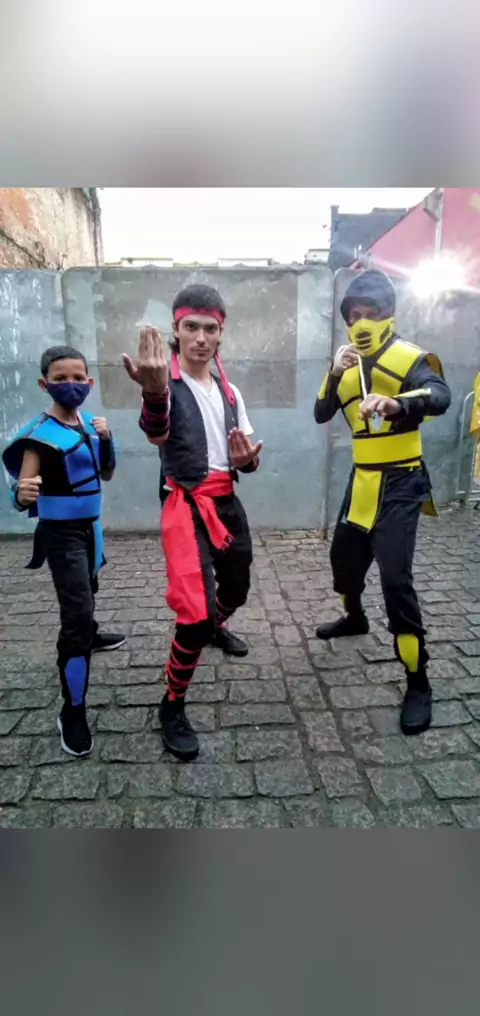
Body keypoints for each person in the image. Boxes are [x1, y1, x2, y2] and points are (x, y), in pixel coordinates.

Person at [123, 283, 262, 761]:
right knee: (195, 614)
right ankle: (172, 703)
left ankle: (214, 627)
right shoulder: (165, 385)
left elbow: (247, 457)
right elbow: (156, 432)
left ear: (220, 333)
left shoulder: (230, 390)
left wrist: (247, 462)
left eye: (210, 329)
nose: (201, 338)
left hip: (226, 503)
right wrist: (153, 391)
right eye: (191, 328)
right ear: (176, 330)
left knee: (237, 589)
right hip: (185, 505)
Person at [314, 269, 451, 736]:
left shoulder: (410, 358)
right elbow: (321, 412)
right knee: (343, 561)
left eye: (370, 313)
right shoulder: (346, 364)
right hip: (363, 481)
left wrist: (398, 404)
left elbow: (440, 395)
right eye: (354, 315)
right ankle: (354, 618)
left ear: (388, 314)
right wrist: (334, 372)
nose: (362, 322)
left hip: (402, 482)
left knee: (395, 579)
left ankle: (418, 681)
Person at [2, 346, 125, 758]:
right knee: (75, 613)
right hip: (61, 533)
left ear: (89, 382)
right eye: (60, 378)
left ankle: (91, 632)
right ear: (45, 384)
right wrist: (21, 494)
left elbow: (106, 472)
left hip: (91, 526)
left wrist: (107, 439)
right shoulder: (39, 436)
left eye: (78, 377)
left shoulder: (91, 423)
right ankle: (72, 710)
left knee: (90, 586)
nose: (70, 385)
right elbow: (20, 492)